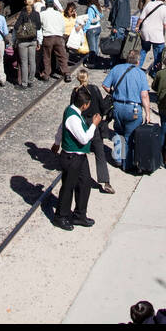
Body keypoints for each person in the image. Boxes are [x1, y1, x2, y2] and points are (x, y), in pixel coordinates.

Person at [53, 68, 116, 196]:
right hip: (94, 122)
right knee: (100, 153)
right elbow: (103, 107)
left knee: (80, 152)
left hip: (80, 122)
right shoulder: (94, 89)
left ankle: (77, 177)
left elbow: (73, 109)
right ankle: (105, 181)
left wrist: (57, 142)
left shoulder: (75, 92)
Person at [54, 85, 102, 231]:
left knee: (84, 184)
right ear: (85, 105)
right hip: (71, 157)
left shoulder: (73, 112)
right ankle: (61, 216)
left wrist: (56, 142)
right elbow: (83, 138)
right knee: (68, 187)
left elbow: (60, 128)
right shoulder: (73, 117)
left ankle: (79, 214)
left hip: (79, 157)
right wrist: (94, 125)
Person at [103, 51, 151, 172]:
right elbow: (144, 95)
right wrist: (148, 113)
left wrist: (113, 93)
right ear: (138, 61)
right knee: (130, 135)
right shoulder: (140, 73)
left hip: (118, 106)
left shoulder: (116, 68)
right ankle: (127, 164)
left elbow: (105, 85)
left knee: (119, 132)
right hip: (133, 108)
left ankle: (118, 159)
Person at [136, 0, 166, 72]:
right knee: (158, 55)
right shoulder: (165, 9)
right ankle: (156, 72)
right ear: (165, 0)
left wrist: (137, 26)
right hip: (157, 35)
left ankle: (137, 68)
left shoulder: (149, 4)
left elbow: (140, 18)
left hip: (146, 32)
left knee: (144, 50)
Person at [12, 0, 41, 87]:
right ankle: (31, 81)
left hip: (23, 42)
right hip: (33, 40)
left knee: (24, 63)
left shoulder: (22, 14)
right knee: (32, 61)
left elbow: (16, 27)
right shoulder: (36, 14)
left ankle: (24, 83)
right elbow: (39, 27)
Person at [40, 0, 69, 80]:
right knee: (62, 56)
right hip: (58, 37)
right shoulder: (59, 14)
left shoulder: (42, 14)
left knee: (47, 57)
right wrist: (61, 34)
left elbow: (39, 27)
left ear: (46, 5)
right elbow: (63, 26)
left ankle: (46, 74)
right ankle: (66, 73)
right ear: (53, 5)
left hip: (47, 37)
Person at [107, 0, 131, 65]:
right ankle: (115, 63)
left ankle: (115, 64)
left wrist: (116, 27)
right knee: (117, 46)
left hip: (119, 26)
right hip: (120, 25)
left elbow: (120, 13)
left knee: (116, 46)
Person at [81, 0, 104, 68]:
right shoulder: (98, 6)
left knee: (92, 47)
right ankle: (97, 60)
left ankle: (92, 63)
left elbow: (89, 20)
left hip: (91, 29)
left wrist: (84, 30)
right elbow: (102, 15)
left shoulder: (90, 8)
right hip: (98, 28)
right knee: (96, 45)